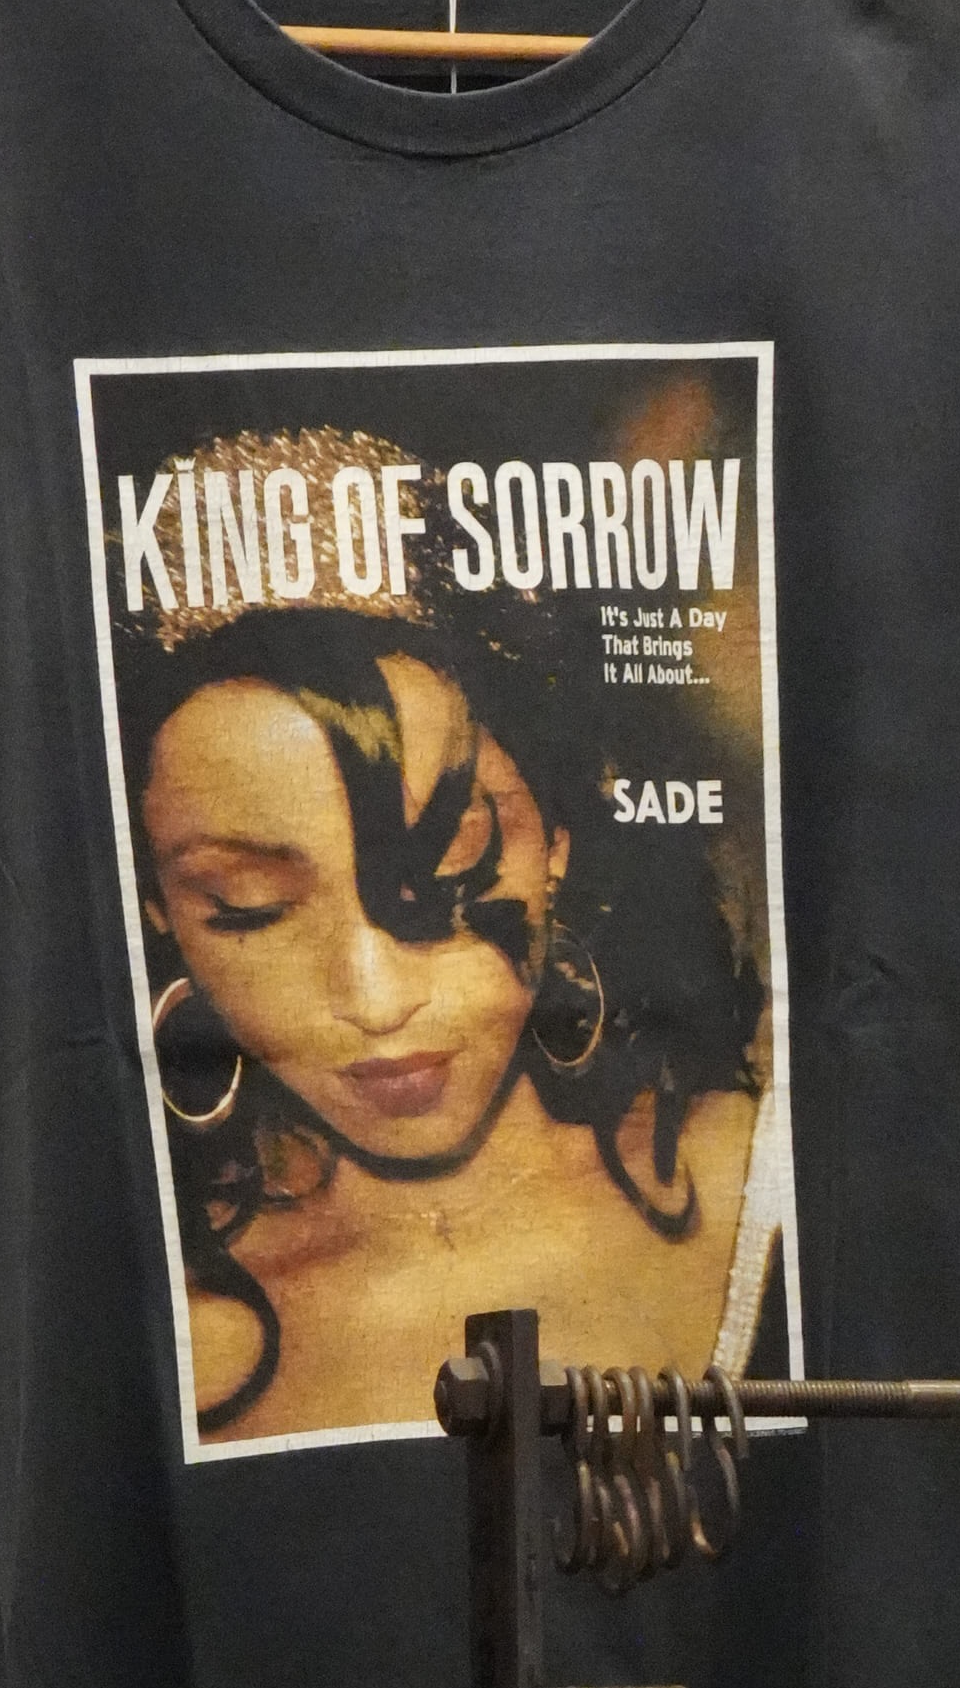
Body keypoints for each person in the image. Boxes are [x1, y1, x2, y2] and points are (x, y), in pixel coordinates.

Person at [128, 597, 772, 1442]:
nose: (377, 1001)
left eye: (449, 862)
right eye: (251, 903)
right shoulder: (158, 1327)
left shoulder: (764, 1181)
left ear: (557, 842)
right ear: (160, 912)